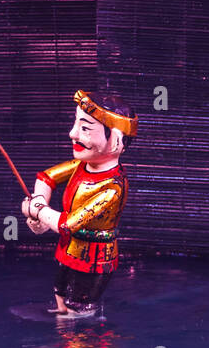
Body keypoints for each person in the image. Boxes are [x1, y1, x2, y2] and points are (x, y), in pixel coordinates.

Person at [22, 90, 137, 316]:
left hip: (95, 260)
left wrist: (37, 210)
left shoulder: (113, 187)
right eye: (76, 124)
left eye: (84, 128)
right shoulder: (79, 166)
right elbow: (45, 178)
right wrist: (40, 205)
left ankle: (82, 347)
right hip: (68, 249)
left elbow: (68, 224)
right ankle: (65, 340)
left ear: (115, 140)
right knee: (60, 298)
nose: (72, 133)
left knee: (80, 308)